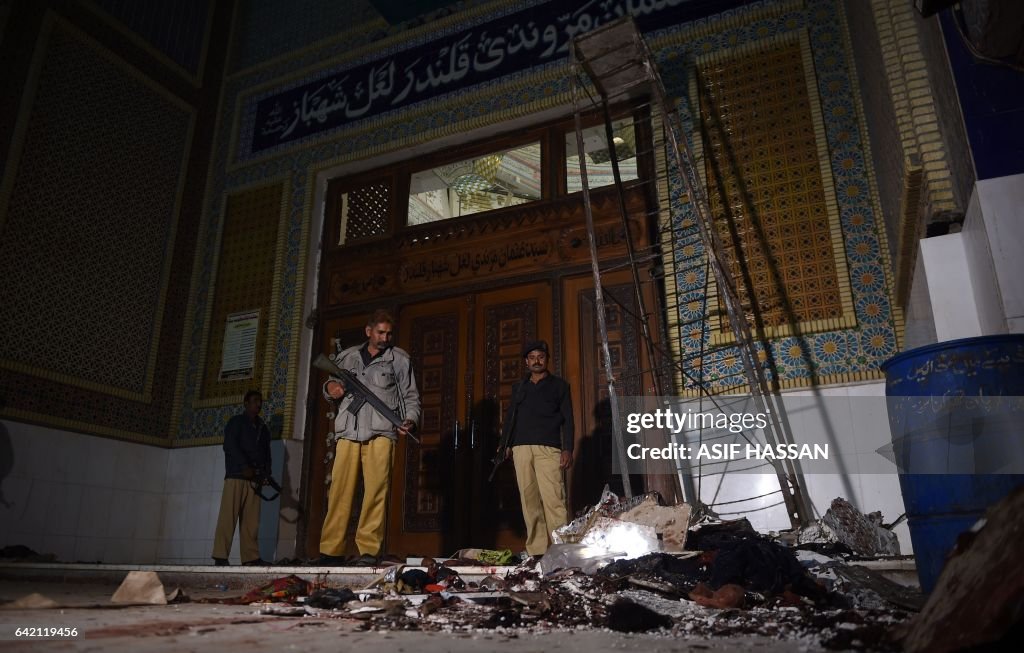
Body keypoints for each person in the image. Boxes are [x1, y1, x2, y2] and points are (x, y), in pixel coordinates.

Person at [319, 309, 420, 566]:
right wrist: (331, 388)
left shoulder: (399, 359)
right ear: (369, 331)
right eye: (380, 332)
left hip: (382, 431)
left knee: (376, 492)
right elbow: (330, 385)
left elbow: (410, 396)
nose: (385, 337)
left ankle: (368, 551)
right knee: (340, 492)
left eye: (389, 333)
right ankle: (331, 551)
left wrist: (410, 419)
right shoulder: (347, 356)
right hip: (348, 431)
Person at [502, 340, 574, 557]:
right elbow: (510, 418)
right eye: (532, 357)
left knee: (554, 499)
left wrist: (567, 448)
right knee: (528, 500)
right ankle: (537, 552)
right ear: (526, 362)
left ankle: (562, 550)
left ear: (547, 359)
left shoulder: (559, 386)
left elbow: (568, 420)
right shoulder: (519, 387)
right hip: (521, 448)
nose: (536, 361)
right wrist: (505, 444)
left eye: (540, 357)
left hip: (548, 448)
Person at [212, 390, 271, 566]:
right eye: (254, 401)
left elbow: (266, 454)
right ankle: (220, 556)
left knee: (251, 522)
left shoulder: (263, 427)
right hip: (236, 476)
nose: (258, 405)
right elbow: (229, 446)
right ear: (245, 403)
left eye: (260, 402)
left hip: (255, 480)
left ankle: (251, 557)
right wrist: (244, 466)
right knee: (228, 518)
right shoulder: (236, 422)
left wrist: (266, 474)